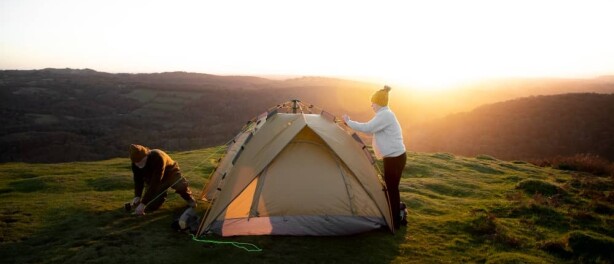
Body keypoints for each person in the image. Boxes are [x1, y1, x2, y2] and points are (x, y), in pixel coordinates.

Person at [342, 85, 407, 230]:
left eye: (373, 102)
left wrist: (348, 122)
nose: (371, 105)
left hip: (394, 158)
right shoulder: (385, 114)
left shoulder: (385, 115)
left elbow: (368, 128)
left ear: (378, 102)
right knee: (392, 188)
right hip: (396, 157)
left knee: (391, 188)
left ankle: (396, 221)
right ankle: (397, 212)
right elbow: (371, 130)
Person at [128, 144, 196, 215]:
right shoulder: (135, 165)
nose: (140, 166)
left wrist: (143, 203)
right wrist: (137, 196)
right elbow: (138, 181)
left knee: (180, 185)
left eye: (142, 162)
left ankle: (189, 199)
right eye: (137, 164)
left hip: (171, 173)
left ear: (146, 155)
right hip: (152, 178)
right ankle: (160, 195)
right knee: (151, 206)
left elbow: (155, 182)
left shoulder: (158, 157)